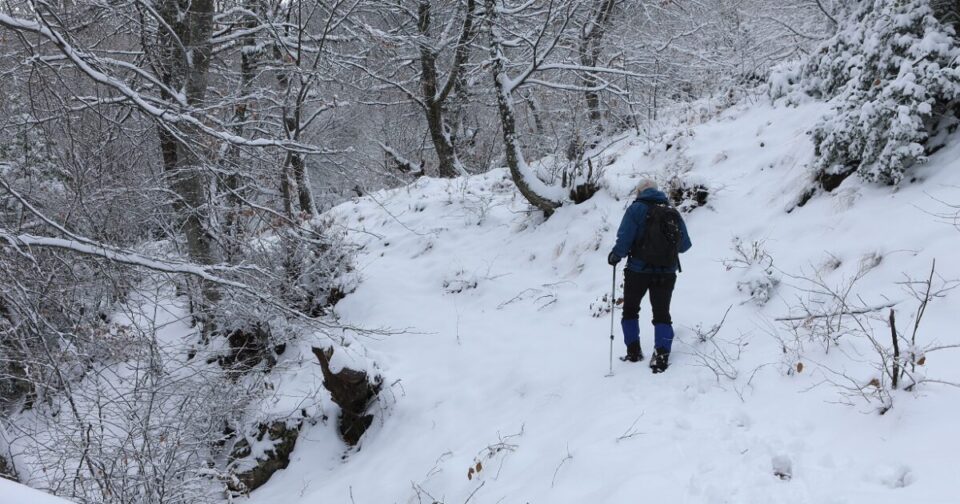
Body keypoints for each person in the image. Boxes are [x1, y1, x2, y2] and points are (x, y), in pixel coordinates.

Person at [607, 179, 692, 373]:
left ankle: (634, 351)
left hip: (638, 271)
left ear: (639, 192)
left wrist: (615, 256)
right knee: (662, 313)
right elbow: (685, 245)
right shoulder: (672, 211)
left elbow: (625, 238)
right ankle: (661, 356)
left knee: (630, 310)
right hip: (667, 272)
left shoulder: (635, 209)